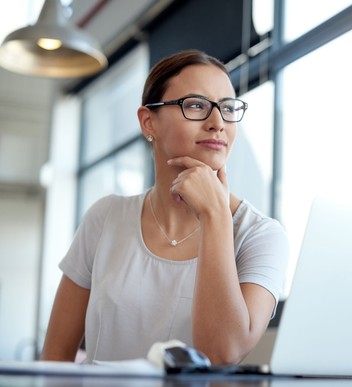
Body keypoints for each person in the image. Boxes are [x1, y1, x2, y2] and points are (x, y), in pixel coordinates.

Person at [40, 49, 289, 365]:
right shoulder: (104, 218)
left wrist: (215, 216)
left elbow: (222, 354)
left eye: (227, 108)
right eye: (196, 105)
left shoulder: (261, 236)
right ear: (148, 122)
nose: (218, 123)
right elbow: (54, 357)